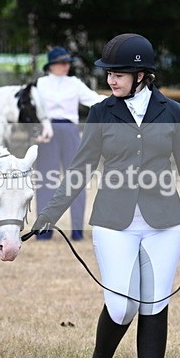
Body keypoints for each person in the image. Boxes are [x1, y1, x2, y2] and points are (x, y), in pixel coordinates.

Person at [31, 34, 180, 358]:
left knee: (154, 304)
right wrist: (49, 212)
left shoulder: (172, 112)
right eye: (109, 73)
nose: (111, 80)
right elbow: (80, 167)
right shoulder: (101, 112)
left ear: (143, 75)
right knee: (121, 305)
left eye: (119, 74)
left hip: (163, 222)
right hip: (114, 221)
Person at [35, 46, 105, 241]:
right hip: (47, 131)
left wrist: (117, 101)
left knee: (76, 178)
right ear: (51, 65)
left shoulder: (74, 83)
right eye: (61, 63)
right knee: (46, 180)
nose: (66, 66)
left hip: (70, 129)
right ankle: (44, 229)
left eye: (67, 63)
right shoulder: (40, 84)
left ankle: (77, 230)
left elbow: (94, 100)